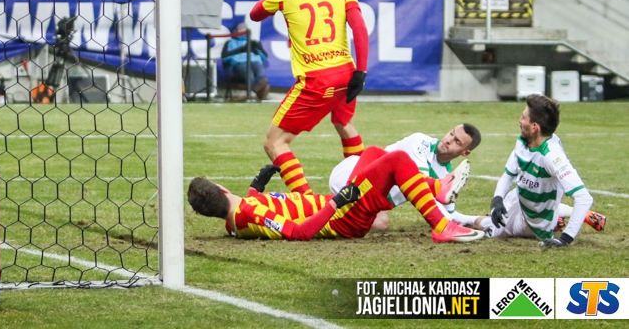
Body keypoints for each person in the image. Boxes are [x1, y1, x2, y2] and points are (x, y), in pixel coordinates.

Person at [248, 0, 369, 196]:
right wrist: (361, 71)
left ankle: (307, 202)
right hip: (347, 73)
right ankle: (361, 191)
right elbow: (359, 27)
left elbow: (255, 14)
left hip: (317, 79)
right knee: (344, 123)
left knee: (274, 142)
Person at [188, 145, 484, 242]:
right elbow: (299, 233)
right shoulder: (249, 212)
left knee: (373, 153)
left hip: (341, 205)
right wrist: (339, 202)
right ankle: (441, 224)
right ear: (222, 188)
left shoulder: (233, 220)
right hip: (344, 216)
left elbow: (238, 214)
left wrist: (256, 186)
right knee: (397, 160)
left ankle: (438, 189)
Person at [485, 94, 606, 246]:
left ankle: (565, 217)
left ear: (534, 127)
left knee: (486, 228)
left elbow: (584, 197)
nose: (519, 120)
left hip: (536, 222)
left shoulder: (552, 156)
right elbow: (508, 175)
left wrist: (565, 239)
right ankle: (575, 214)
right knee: (493, 217)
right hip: (520, 199)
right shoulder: (523, 142)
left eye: (523, 117)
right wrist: (497, 200)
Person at [330, 124, 485, 231]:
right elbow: (421, 188)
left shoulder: (446, 174)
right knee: (365, 221)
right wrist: (448, 224)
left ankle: (330, 207)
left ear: (465, 152)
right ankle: (332, 206)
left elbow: (450, 213)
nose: (448, 140)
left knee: (380, 223)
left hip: (372, 194)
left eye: (457, 141)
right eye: (451, 133)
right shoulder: (421, 142)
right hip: (351, 173)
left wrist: (480, 221)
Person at [221, 22, 270, 100]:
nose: (243, 31)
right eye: (240, 29)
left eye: (244, 29)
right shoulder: (230, 43)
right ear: (236, 31)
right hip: (238, 63)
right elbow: (225, 58)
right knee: (249, 74)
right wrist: (240, 50)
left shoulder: (253, 42)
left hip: (254, 61)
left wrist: (258, 49)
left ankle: (259, 89)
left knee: (260, 71)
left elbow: (264, 57)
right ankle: (259, 91)